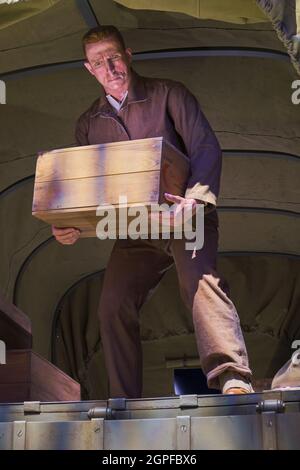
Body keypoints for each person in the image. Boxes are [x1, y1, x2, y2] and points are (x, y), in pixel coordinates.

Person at [52, 25, 253, 398]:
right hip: (137, 228)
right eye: (99, 62)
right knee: (112, 305)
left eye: (113, 56)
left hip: (186, 215)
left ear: (129, 55)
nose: (109, 67)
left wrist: (195, 200)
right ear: (88, 69)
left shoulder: (168, 94)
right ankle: (123, 400)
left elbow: (206, 148)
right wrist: (71, 226)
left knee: (200, 281)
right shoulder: (88, 124)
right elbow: (89, 190)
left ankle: (232, 378)